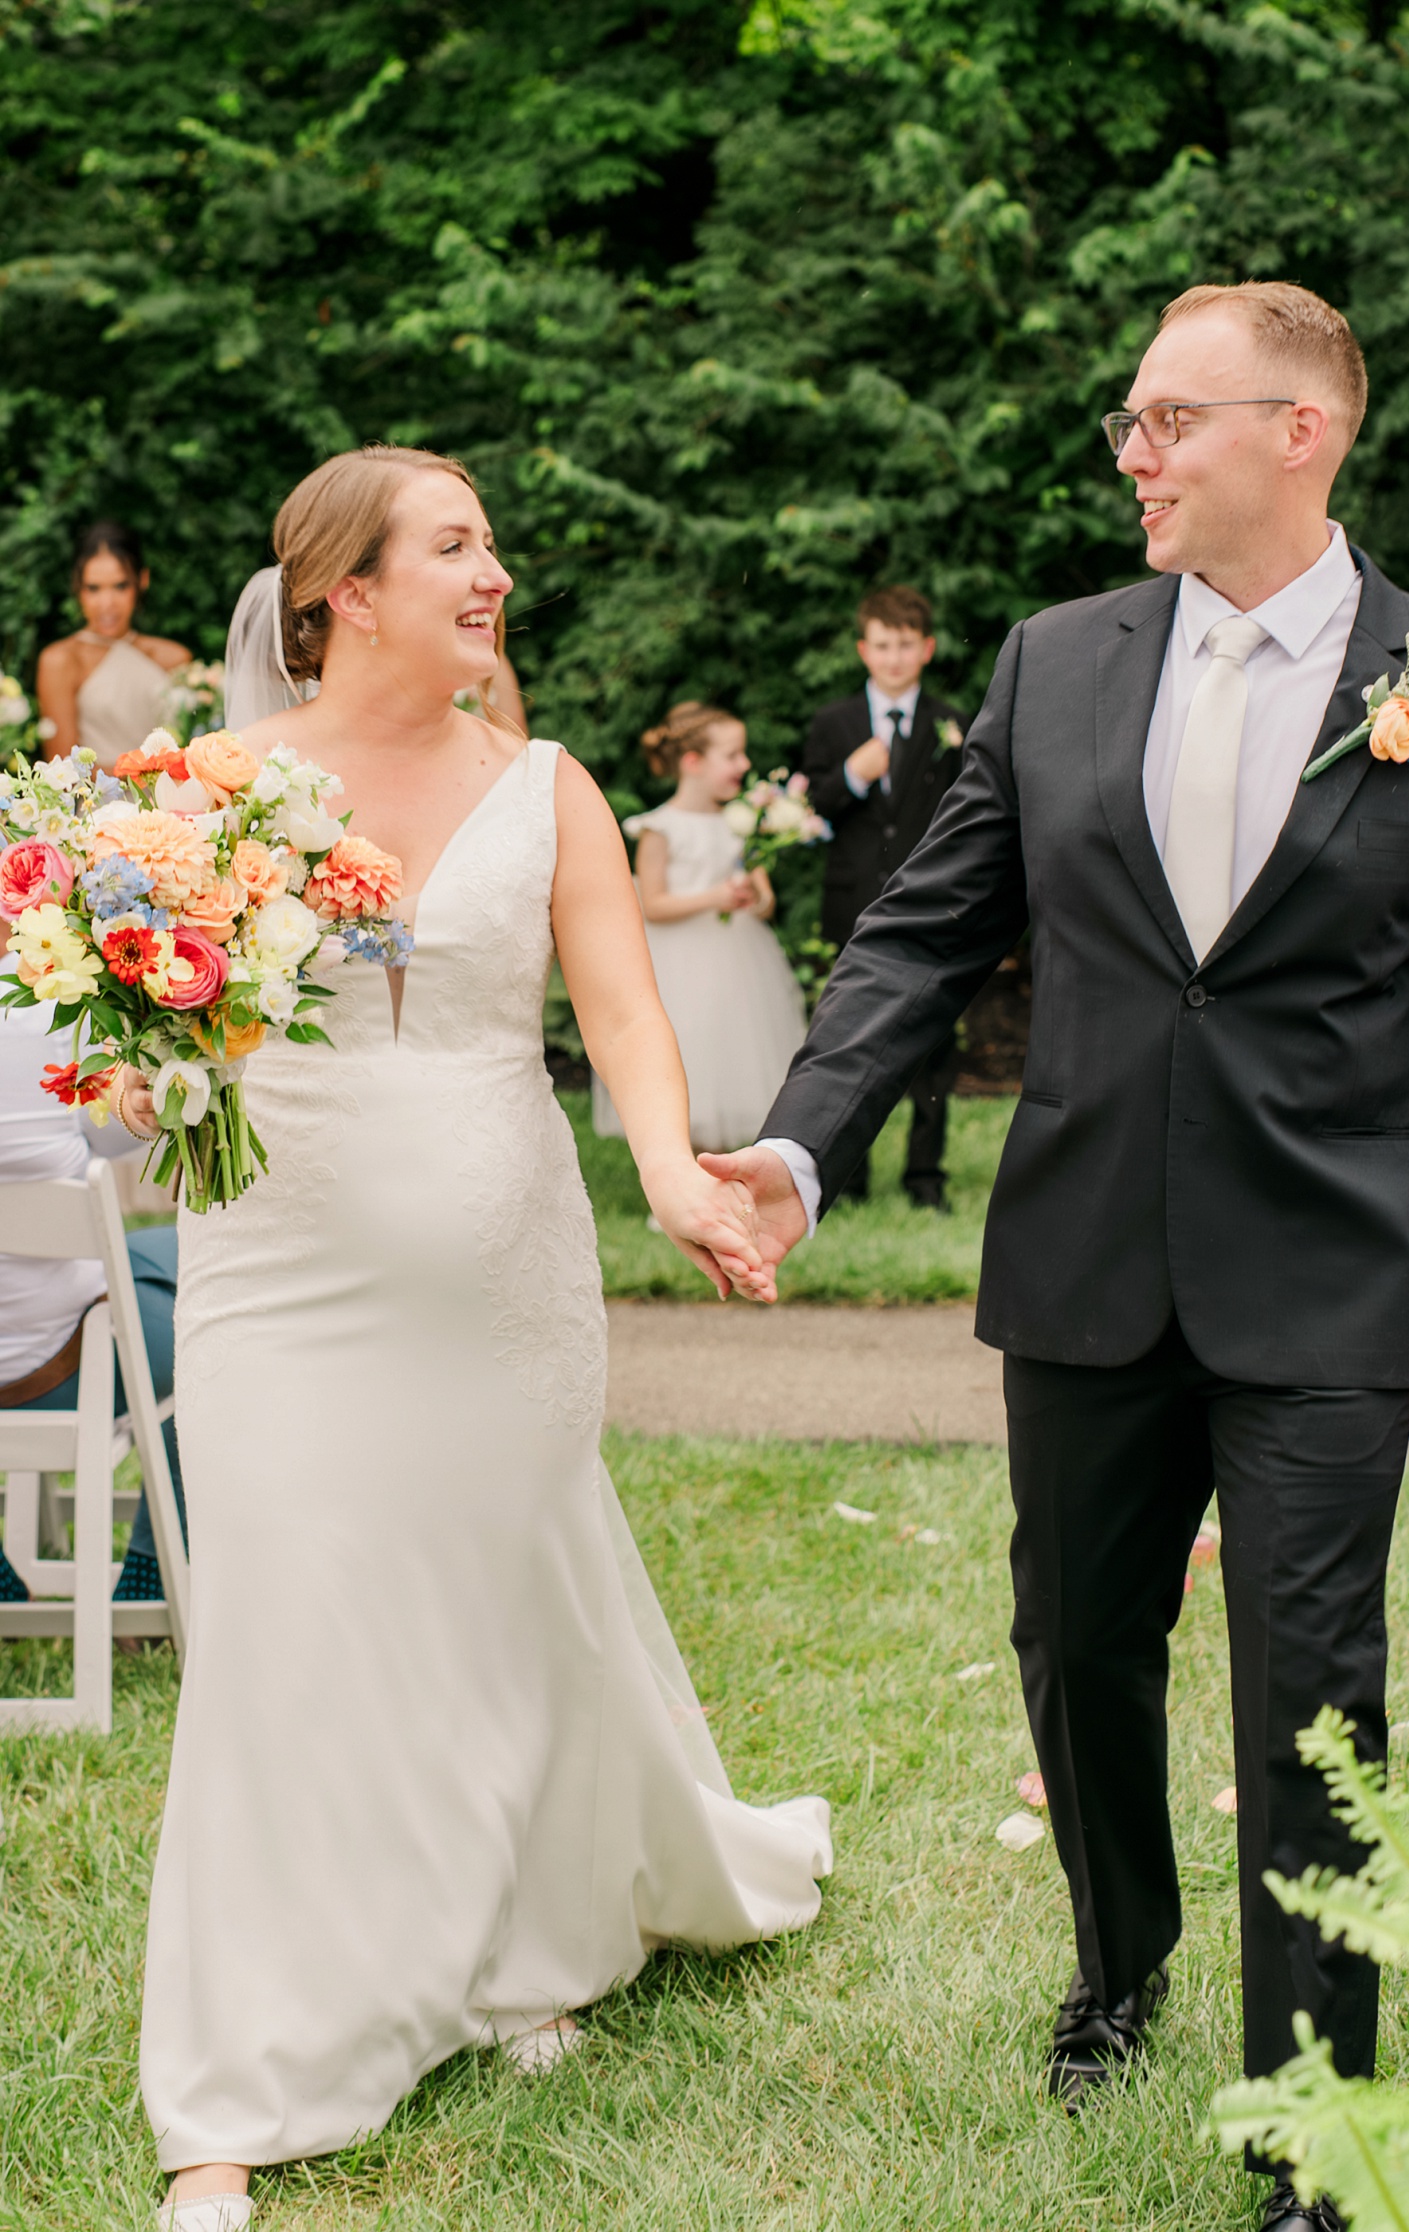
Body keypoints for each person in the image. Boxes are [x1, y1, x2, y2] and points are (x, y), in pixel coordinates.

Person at [710, 283, 1409, 2232]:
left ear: (1299, 430)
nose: (1131, 452)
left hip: (1321, 1279)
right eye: (1129, 419)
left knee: (1312, 1700)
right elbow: (926, 931)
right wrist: (798, 1141)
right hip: (1085, 1259)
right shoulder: (1054, 663)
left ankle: (1313, 2128)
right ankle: (1118, 1962)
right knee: (1075, 1646)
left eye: (1168, 419)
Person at [120, 445, 830, 2232]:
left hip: (507, 1275)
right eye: (454, 545)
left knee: (501, 1606)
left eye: (490, 542)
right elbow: (156, 1042)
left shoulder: (550, 786)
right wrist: (134, 1054)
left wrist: (669, 1172)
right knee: (283, 1629)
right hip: (280, 1273)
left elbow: (624, 1017)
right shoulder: (207, 791)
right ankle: (234, 2084)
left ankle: (528, 1943)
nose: (493, 571)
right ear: (346, 592)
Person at [0, 958, 185, 1607]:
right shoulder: (40, 1013)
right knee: (233, 1297)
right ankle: (151, 1566)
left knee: (157, 1254)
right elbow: (103, 1134)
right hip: (61, 1375)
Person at [800, 587, 966, 1209]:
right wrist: (851, 775)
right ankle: (848, 1179)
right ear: (863, 650)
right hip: (853, 904)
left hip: (930, 902)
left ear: (926, 649)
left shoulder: (950, 722)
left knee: (935, 1044)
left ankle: (925, 1177)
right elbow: (809, 809)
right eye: (882, 645)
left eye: (905, 645)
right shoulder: (834, 722)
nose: (894, 657)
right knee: (847, 1040)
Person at [591, 701, 807, 1153]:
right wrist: (715, 898)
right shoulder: (659, 827)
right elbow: (652, 905)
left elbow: (765, 902)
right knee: (687, 1055)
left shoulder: (741, 823)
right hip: (679, 965)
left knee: (732, 1053)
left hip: (738, 963)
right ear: (693, 762)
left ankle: (727, 1166)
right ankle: (680, 1166)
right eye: (732, 755)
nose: (744, 765)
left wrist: (754, 897)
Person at [36, 523, 191, 765]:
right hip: (99, 790)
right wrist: (144, 778)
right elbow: (64, 769)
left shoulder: (175, 658)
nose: (107, 603)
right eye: (93, 588)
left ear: (142, 580)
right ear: (77, 587)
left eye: (120, 586)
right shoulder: (61, 661)